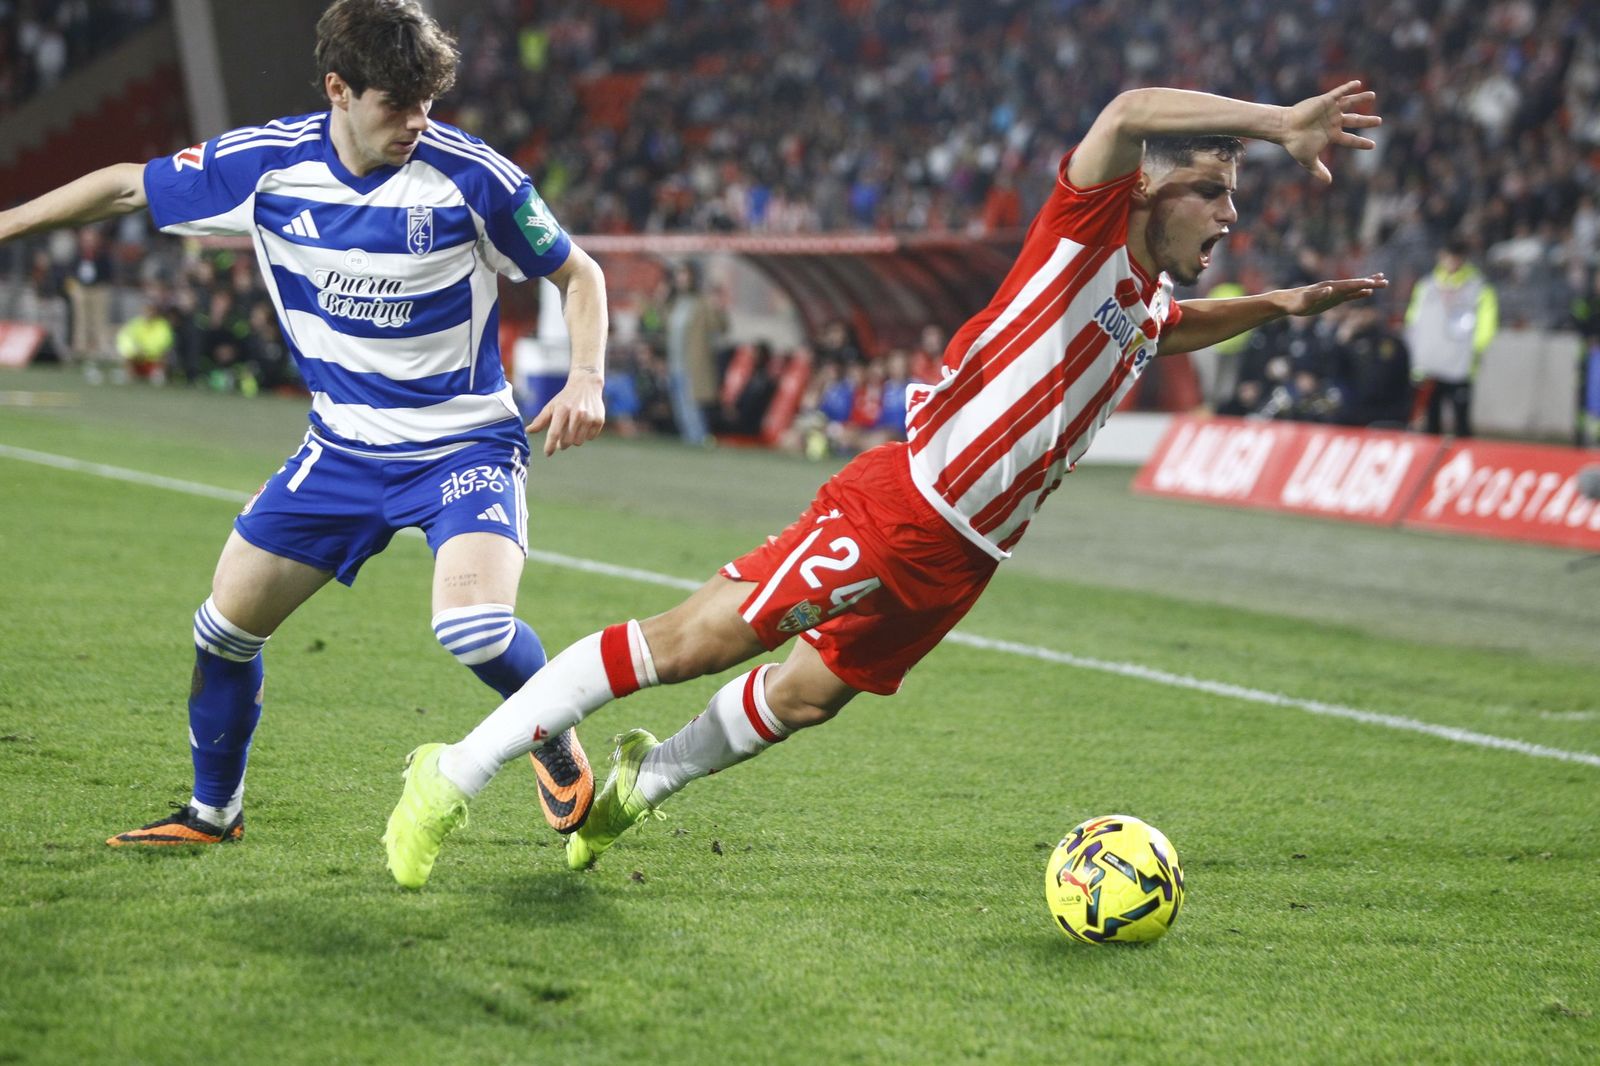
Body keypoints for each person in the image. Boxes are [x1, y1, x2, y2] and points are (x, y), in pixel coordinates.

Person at [384, 81, 1388, 888]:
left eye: (1232, 197)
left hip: (969, 556)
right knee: (696, 639)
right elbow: (1125, 111)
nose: (1228, 212)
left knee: (809, 695)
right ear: (1146, 191)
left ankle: (637, 785)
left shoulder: (1143, 294)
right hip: (904, 504)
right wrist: (1270, 121)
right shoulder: (1083, 231)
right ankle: (453, 772)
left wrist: (1280, 307)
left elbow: (1174, 325)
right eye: (1212, 191)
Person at [0, 0, 608, 847]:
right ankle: (214, 815)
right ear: (338, 89)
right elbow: (126, 184)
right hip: (342, 450)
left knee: (471, 627)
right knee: (223, 628)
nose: (416, 123)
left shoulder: (475, 177)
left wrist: (586, 377)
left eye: (428, 103)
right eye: (396, 104)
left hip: (462, 441)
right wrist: (9, 224)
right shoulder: (267, 166)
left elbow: (580, 275)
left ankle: (554, 735)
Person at [1405, 237, 1499, 437]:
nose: (1452, 262)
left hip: (1459, 364)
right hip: (1429, 364)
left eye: (1456, 258)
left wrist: (1476, 349)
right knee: (1431, 421)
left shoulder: (1478, 288)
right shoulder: (1427, 285)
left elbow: (1486, 324)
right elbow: (1414, 320)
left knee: (1461, 422)